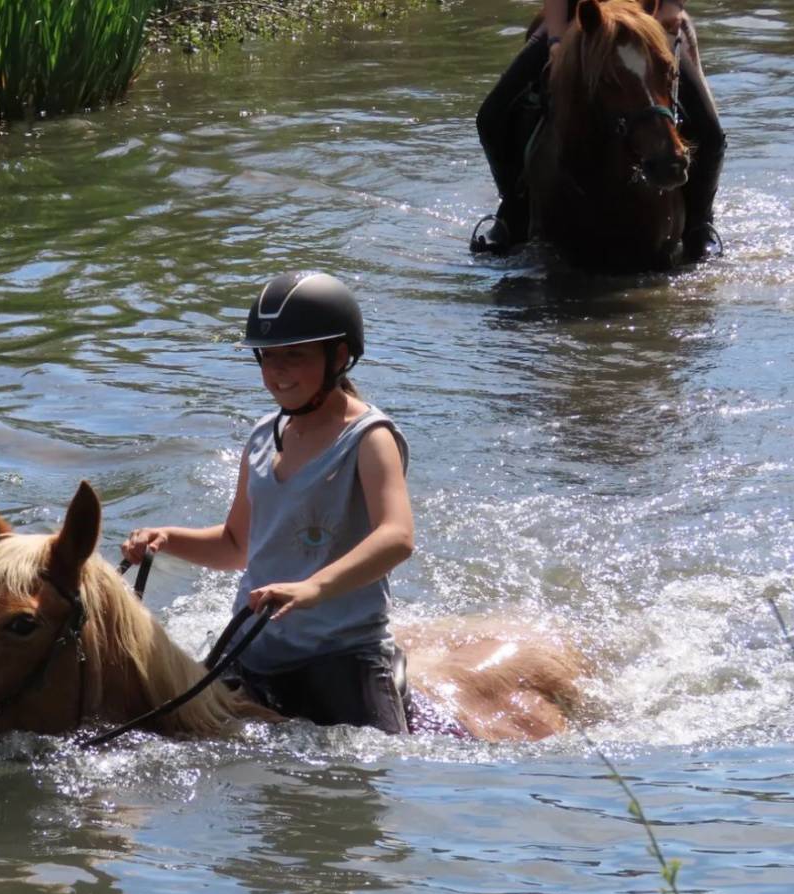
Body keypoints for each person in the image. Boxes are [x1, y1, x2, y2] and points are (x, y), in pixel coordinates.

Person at [121, 272, 415, 734]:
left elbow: (397, 537)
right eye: (268, 357)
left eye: (294, 356)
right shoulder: (262, 437)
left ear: (339, 355)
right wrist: (168, 538)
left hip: (341, 654)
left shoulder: (369, 438)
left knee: (374, 763)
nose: (278, 371)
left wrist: (313, 588)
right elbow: (237, 544)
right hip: (251, 653)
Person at [471, 0, 725, 260]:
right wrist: (556, 41)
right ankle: (513, 213)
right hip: (579, 24)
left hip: (646, 23)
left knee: (711, 133)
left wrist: (670, 8)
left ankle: (699, 223)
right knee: (491, 116)